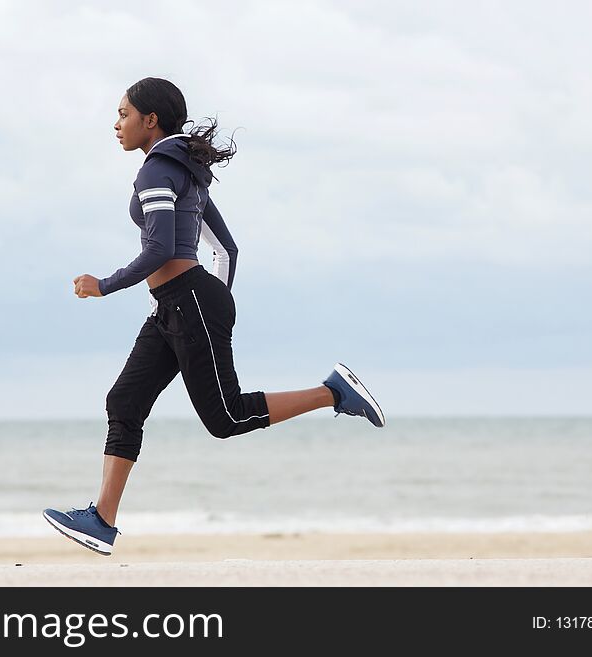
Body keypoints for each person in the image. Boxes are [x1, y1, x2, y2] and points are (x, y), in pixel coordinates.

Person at [43, 77, 384, 555]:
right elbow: (225, 249)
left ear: (150, 119)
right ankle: (102, 519)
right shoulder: (183, 170)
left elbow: (161, 247)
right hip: (178, 307)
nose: (116, 123)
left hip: (187, 303)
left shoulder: (158, 171)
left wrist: (106, 285)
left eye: (123, 114)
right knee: (124, 401)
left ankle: (333, 392)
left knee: (225, 417)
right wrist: (198, 303)